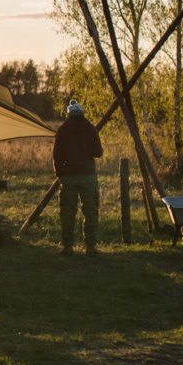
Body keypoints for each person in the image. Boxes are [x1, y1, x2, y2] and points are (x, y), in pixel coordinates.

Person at [53, 100, 102, 254]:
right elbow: (98, 153)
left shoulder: (62, 130)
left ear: (69, 115)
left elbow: (57, 155)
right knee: (90, 211)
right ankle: (90, 246)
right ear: (82, 114)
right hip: (88, 176)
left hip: (69, 177)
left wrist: (60, 174)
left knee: (67, 212)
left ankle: (68, 247)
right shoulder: (90, 129)